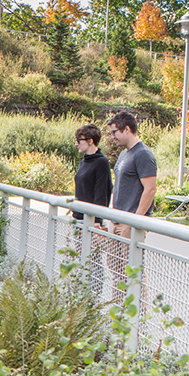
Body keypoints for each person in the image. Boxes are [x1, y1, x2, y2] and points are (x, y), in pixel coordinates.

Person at [105, 112, 157, 289]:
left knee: (133, 272)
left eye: (114, 132)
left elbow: (150, 189)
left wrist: (135, 221)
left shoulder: (143, 154)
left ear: (127, 129)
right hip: (117, 219)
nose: (112, 137)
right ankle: (119, 311)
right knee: (115, 269)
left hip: (131, 222)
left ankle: (137, 314)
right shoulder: (123, 155)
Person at [73, 124, 111, 293]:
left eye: (79, 141)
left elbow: (102, 192)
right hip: (79, 218)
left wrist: (97, 221)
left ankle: (94, 295)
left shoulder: (101, 162)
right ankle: (82, 293)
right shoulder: (84, 162)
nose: (76, 144)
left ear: (90, 141)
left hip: (90, 220)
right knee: (81, 257)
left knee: (93, 260)